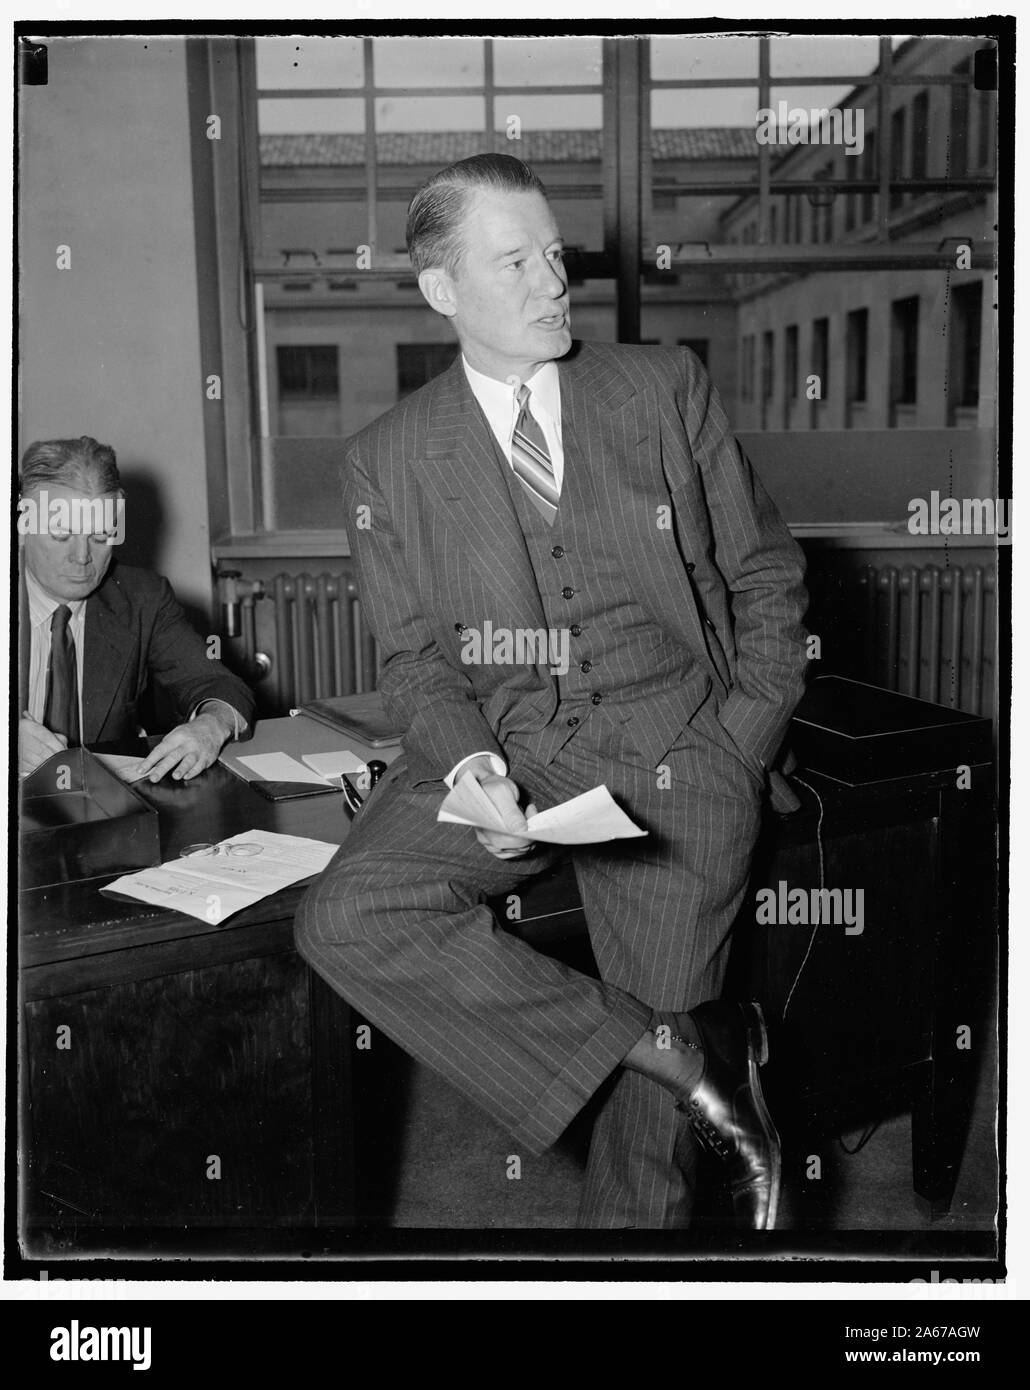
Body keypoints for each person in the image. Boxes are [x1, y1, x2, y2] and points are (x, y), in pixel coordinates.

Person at [294, 154, 809, 1229]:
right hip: (512, 751)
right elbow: (420, 662)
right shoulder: (385, 459)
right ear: (442, 291)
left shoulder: (662, 386)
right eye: (514, 261)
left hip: (681, 746)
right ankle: (675, 1043)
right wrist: (473, 764)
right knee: (348, 914)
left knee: (644, 1145)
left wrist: (740, 741)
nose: (550, 282)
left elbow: (767, 574)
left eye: (555, 255)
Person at [18, 436, 254, 781]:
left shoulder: (142, 598)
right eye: (61, 534)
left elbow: (218, 684)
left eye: (100, 537)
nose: (82, 557)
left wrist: (209, 725)